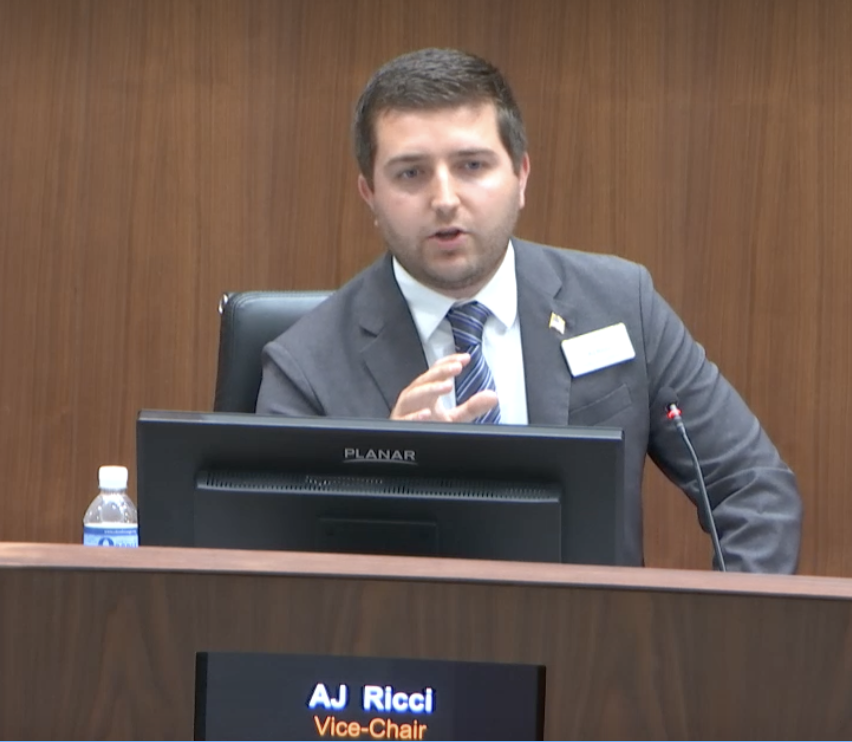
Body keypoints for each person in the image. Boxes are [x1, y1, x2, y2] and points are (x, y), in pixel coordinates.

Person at [256, 47, 802, 573]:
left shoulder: (619, 305)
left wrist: (725, 650)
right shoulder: (305, 366)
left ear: (520, 176)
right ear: (368, 194)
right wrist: (382, 469)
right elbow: (274, 570)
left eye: (472, 165)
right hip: (408, 661)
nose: (445, 198)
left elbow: (752, 485)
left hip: (592, 655)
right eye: (410, 174)